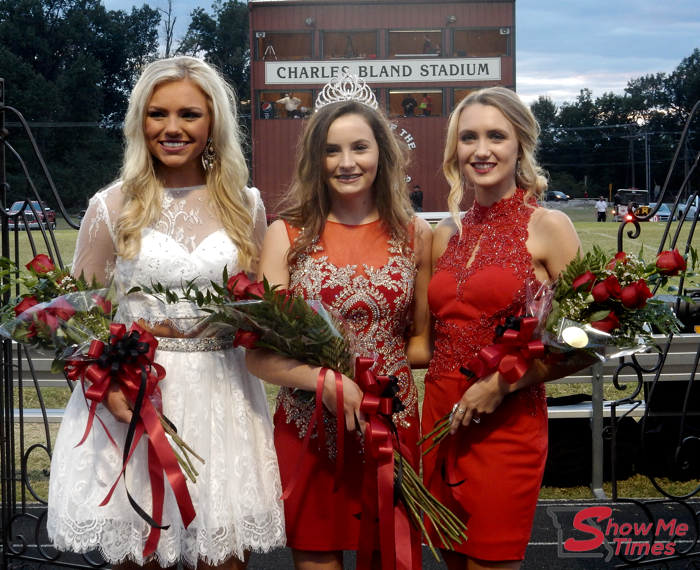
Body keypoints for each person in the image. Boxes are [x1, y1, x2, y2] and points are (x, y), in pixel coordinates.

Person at [47, 56, 285, 569]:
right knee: (140, 554)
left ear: (214, 122)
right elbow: (77, 318)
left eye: (189, 115)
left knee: (224, 557)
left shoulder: (247, 206)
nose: (172, 128)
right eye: (158, 114)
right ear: (140, 121)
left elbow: (265, 308)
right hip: (136, 397)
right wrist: (109, 387)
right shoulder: (112, 206)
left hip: (223, 393)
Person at [246, 74, 432, 570]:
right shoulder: (286, 234)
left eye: (359, 148)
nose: (346, 162)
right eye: (332, 150)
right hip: (309, 425)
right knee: (316, 559)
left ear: (382, 154)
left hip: (390, 420)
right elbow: (259, 354)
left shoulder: (416, 235)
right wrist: (323, 379)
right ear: (316, 159)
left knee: (389, 555)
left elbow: (422, 341)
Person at [422, 86, 587, 570]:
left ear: (520, 145)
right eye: (469, 137)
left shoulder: (548, 225)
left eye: (497, 135)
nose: (482, 149)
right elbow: (428, 338)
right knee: (450, 558)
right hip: (440, 414)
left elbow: (592, 338)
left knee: (491, 561)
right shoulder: (444, 235)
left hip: (507, 418)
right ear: (455, 149)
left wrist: (505, 382)